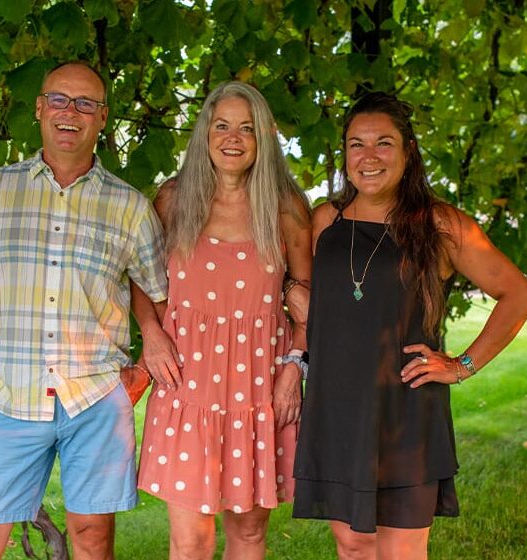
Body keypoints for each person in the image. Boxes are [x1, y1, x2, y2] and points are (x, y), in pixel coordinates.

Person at [0, 62, 168, 560]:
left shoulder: (130, 206)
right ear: (39, 108)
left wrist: (140, 367)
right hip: (13, 397)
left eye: (85, 104)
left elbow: (152, 288)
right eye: (59, 99)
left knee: (94, 541)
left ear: (102, 118)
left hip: (96, 399)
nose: (70, 112)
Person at [292, 91, 527, 560]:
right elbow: (294, 281)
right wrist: (291, 291)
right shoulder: (325, 220)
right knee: (352, 546)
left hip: (405, 413)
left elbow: (519, 296)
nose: (369, 157)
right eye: (355, 144)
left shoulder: (439, 224)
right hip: (336, 409)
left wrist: (462, 365)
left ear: (408, 152)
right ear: (343, 154)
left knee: (401, 551)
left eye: (383, 143)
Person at [132, 81, 313, 560]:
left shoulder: (286, 206)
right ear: (205, 133)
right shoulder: (173, 199)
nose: (233, 138)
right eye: (223, 126)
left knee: (249, 536)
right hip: (186, 386)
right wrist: (151, 334)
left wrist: (295, 367)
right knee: (190, 542)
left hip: (260, 388)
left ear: (263, 138)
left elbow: (307, 303)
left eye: (247, 128)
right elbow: (140, 278)